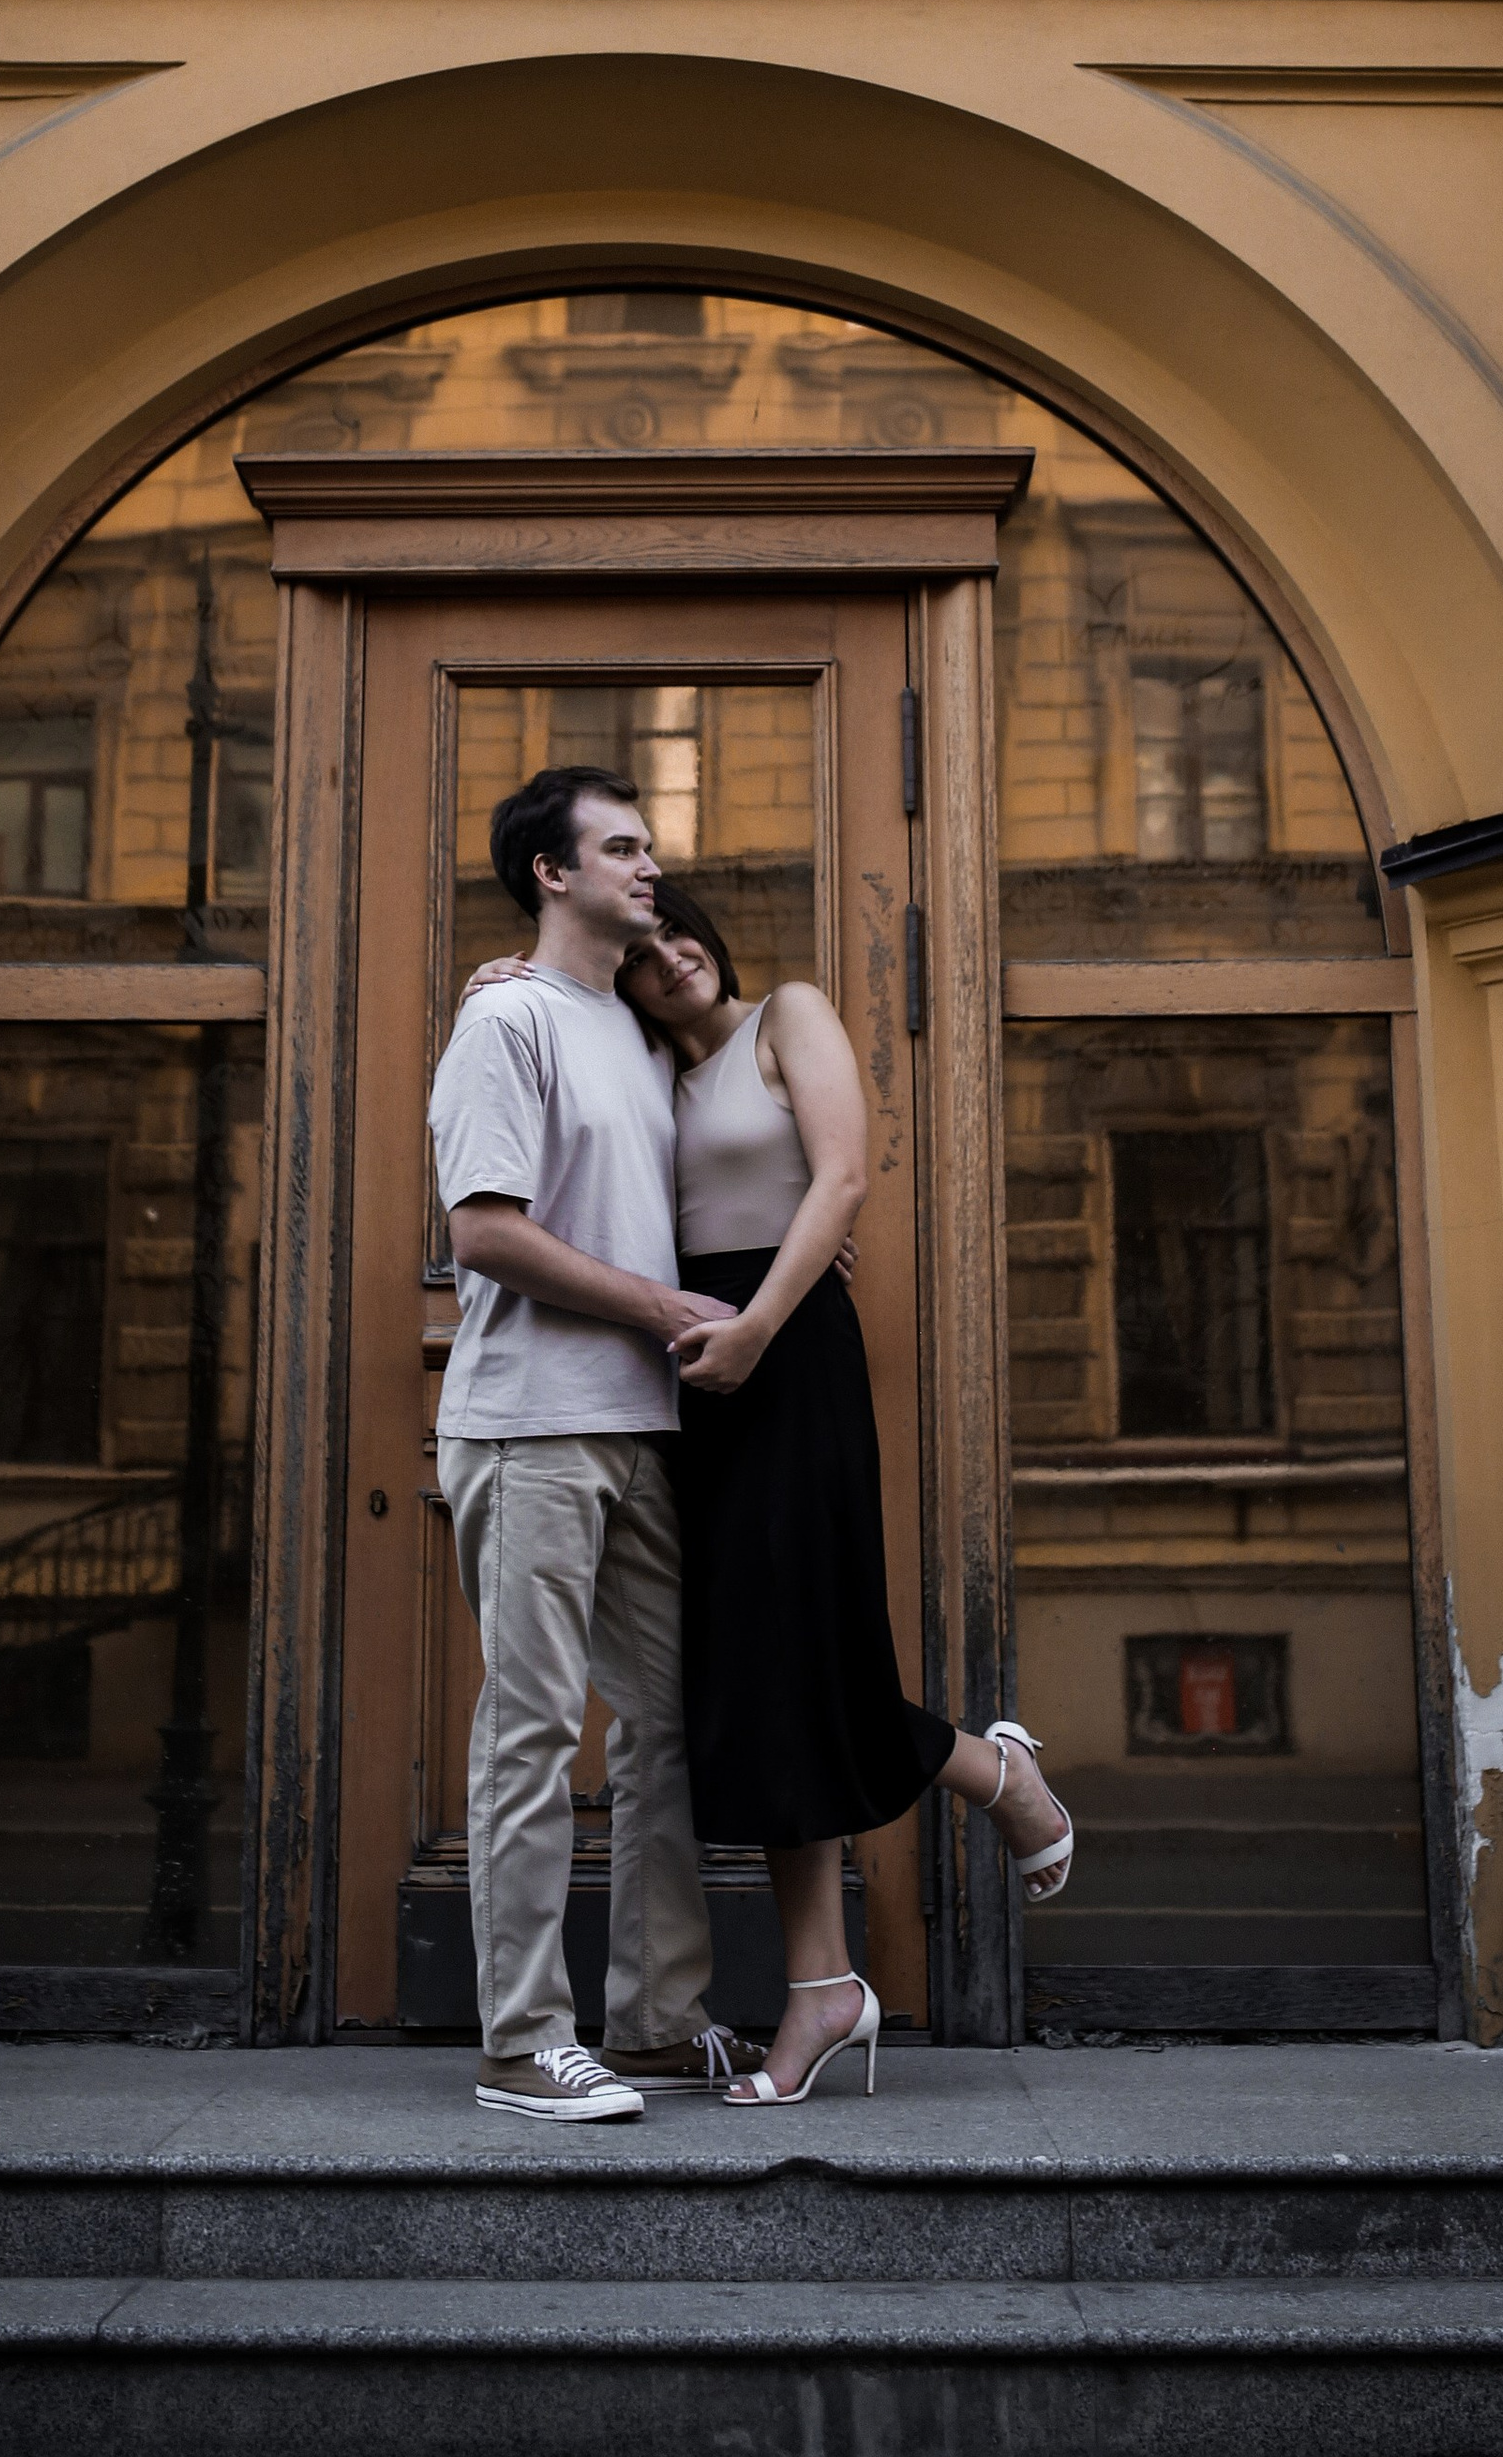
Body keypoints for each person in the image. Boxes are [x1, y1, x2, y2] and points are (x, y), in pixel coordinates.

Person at [474, 880, 1074, 2108]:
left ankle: (981, 1787)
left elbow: (842, 1182)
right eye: (641, 953)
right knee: (753, 1678)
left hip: (787, 1355)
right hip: (689, 1371)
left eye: (678, 930)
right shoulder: (640, 1068)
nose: (669, 956)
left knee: (797, 1656)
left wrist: (757, 1325)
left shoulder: (786, 1014)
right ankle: (838, 1961)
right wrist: (501, 974)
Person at [426, 767, 767, 2123]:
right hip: (533, 1426)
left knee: (668, 1729)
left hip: (642, 1430)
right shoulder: (506, 1020)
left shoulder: (629, 1027)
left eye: (648, 845)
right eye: (621, 847)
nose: (650, 866)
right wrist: (661, 1308)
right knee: (531, 1730)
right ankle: (520, 2043)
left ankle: (653, 2022)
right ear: (550, 873)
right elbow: (484, 1233)